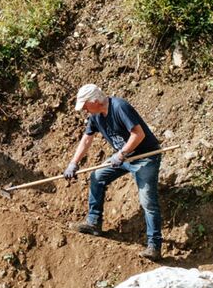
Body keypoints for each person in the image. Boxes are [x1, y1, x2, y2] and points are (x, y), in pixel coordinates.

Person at [62, 84, 163, 261]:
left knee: (148, 201)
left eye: (85, 105)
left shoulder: (119, 107)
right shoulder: (95, 115)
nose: (85, 110)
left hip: (144, 158)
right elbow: (87, 139)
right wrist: (73, 163)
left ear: (94, 101)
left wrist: (122, 153)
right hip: (121, 158)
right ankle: (93, 222)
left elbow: (138, 135)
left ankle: (154, 246)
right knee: (97, 176)